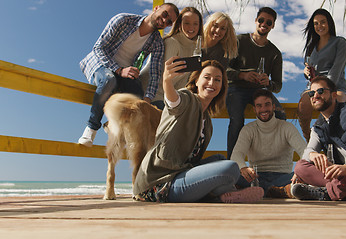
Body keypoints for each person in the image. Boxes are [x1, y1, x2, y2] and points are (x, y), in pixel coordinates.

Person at [133, 59, 264, 203]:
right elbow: (173, 101)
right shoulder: (187, 98)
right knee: (231, 167)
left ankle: (227, 193)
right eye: (206, 77)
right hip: (158, 184)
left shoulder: (207, 122)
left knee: (220, 159)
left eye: (217, 80)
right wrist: (167, 81)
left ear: (222, 86)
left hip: (181, 174)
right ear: (196, 81)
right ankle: (225, 194)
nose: (211, 83)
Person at [77, 3, 179, 147]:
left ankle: (116, 126)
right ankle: (91, 128)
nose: (164, 21)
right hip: (101, 64)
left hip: (124, 74)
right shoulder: (123, 20)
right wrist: (119, 70)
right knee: (108, 80)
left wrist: (147, 100)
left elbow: (155, 73)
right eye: (164, 14)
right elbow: (99, 48)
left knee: (138, 98)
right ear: (156, 9)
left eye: (169, 22)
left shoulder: (157, 43)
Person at [226, 7, 286, 159]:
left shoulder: (275, 53)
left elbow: (277, 86)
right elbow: (223, 69)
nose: (264, 24)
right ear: (255, 21)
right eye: (261, 20)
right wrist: (242, 75)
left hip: (259, 92)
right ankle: (232, 164)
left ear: (273, 26)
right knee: (237, 120)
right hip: (236, 88)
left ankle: (268, 159)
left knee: (280, 114)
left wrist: (268, 82)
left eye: (268, 22)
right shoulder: (239, 41)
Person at [231, 89, 306, 197]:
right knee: (229, 173)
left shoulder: (287, 127)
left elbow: (304, 151)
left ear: (273, 106)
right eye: (259, 106)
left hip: (284, 177)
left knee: (306, 174)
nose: (263, 109)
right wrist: (243, 168)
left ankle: (258, 191)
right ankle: (280, 191)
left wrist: (300, 172)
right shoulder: (248, 129)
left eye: (267, 105)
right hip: (256, 177)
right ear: (254, 109)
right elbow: (236, 154)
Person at [297, 8, 346, 142]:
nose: (319, 26)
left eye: (323, 22)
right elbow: (310, 69)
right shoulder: (311, 46)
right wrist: (306, 72)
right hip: (313, 87)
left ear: (329, 23)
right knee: (303, 105)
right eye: (316, 23)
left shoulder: (340, 42)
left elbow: (336, 70)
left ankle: (322, 137)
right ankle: (309, 138)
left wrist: (324, 90)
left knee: (334, 102)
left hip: (336, 86)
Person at [139, 7, 203, 110]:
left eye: (195, 23)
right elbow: (166, 78)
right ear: (179, 24)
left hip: (168, 96)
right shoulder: (173, 42)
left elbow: (182, 83)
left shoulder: (195, 48)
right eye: (187, 23)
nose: (191, 27)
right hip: (151, 93)